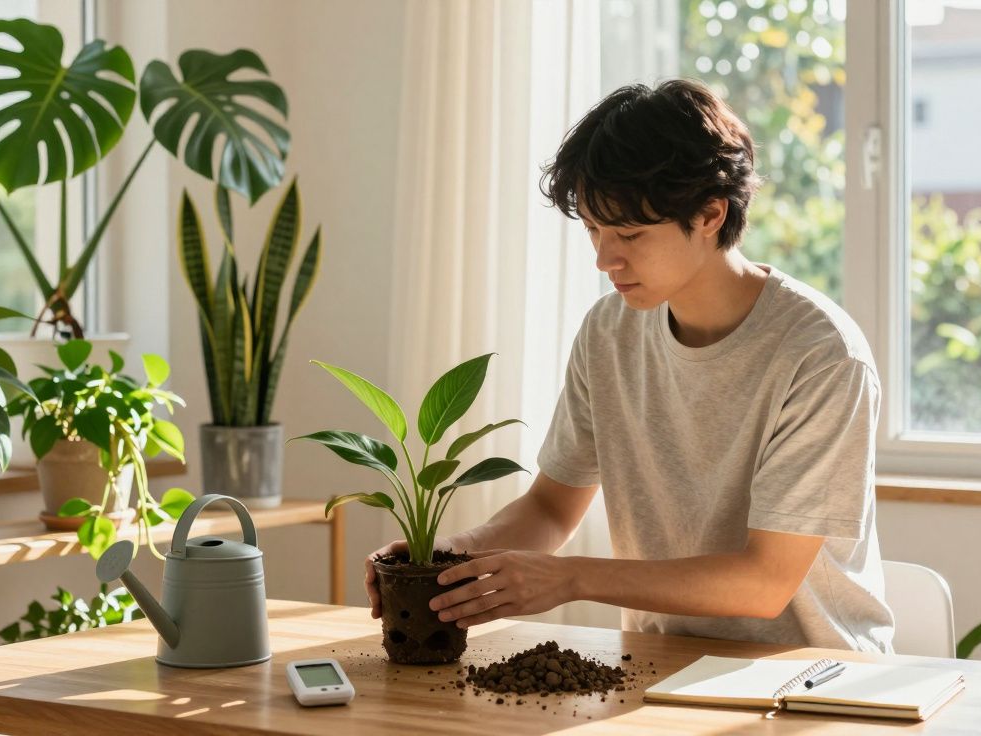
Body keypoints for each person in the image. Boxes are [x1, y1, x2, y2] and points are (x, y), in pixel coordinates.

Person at [365, 79, 894, 652]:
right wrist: (446, 557)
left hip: (811, 679)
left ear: (711, 214)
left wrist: (571, 578)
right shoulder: (608, 333)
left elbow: (762, 583)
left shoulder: (819, 355)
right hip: (661, 666)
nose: (604, 258)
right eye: (594, 229)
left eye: (630, 234)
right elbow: (550, 506)